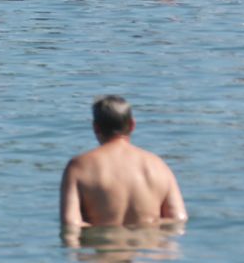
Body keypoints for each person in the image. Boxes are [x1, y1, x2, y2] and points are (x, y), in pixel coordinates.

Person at [59, 95, 187, 231]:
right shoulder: (159, 166)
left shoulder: (78, 167)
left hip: (104, 250)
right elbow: (178, 219)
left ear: (96, 128)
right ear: (132, 125)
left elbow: (71, 224)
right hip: (148, 250)